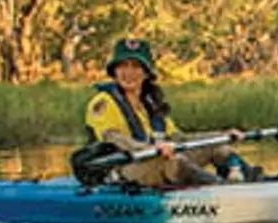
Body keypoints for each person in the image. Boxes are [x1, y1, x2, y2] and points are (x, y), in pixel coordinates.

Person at [81, 37, 268, 187]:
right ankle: (221, 189)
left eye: (136, 66)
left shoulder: (151, 103)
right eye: (123, 66)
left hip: (156, 160)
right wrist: (149, 149)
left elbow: (178, 138)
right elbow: (113, 138)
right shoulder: (103, 103)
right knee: (174, 161)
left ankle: (257, 180)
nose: (128, 72)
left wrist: (222, 135)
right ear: (114, 71)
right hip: (122, 168)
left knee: (218, 146)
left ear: (146, 73)